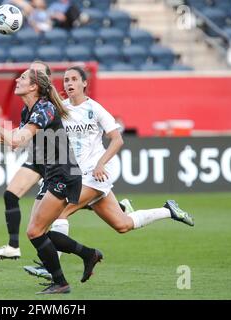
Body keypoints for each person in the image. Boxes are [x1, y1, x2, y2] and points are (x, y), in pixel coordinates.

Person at [24, 66, 194, 280]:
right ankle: (169, 210)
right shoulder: (62, 109)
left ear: (85, 83)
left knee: (60, 213)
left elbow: (117, 139)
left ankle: (51, 267)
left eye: (74, 79)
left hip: (97, 174)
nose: (69, 83)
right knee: (122, 225)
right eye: (66, 80)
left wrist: (101, 164)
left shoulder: (95, 109)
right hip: (76, 174)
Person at [0, 61, 132, 261]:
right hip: (41, 160)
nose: (23, 77)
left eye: (33, 73)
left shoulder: (50, 106)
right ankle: (23, 250)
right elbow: (18, 136)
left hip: (58, 167)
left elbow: (20, 139)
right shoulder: (31, 108)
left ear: (41, 80)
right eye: (67, 80)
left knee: (46, 223)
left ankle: (62, 265)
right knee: (22, 208)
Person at [0, 68, 103, 294]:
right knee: (38, 231)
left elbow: (16, 141)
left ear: (34, 86)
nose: (17, 79)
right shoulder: (31, 109)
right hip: (53, 174)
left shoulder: (44, 108)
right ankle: (88, 254)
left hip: (63, 174)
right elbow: (20, 139)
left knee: (35, 232)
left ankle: (61, 282)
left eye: (22, 78)